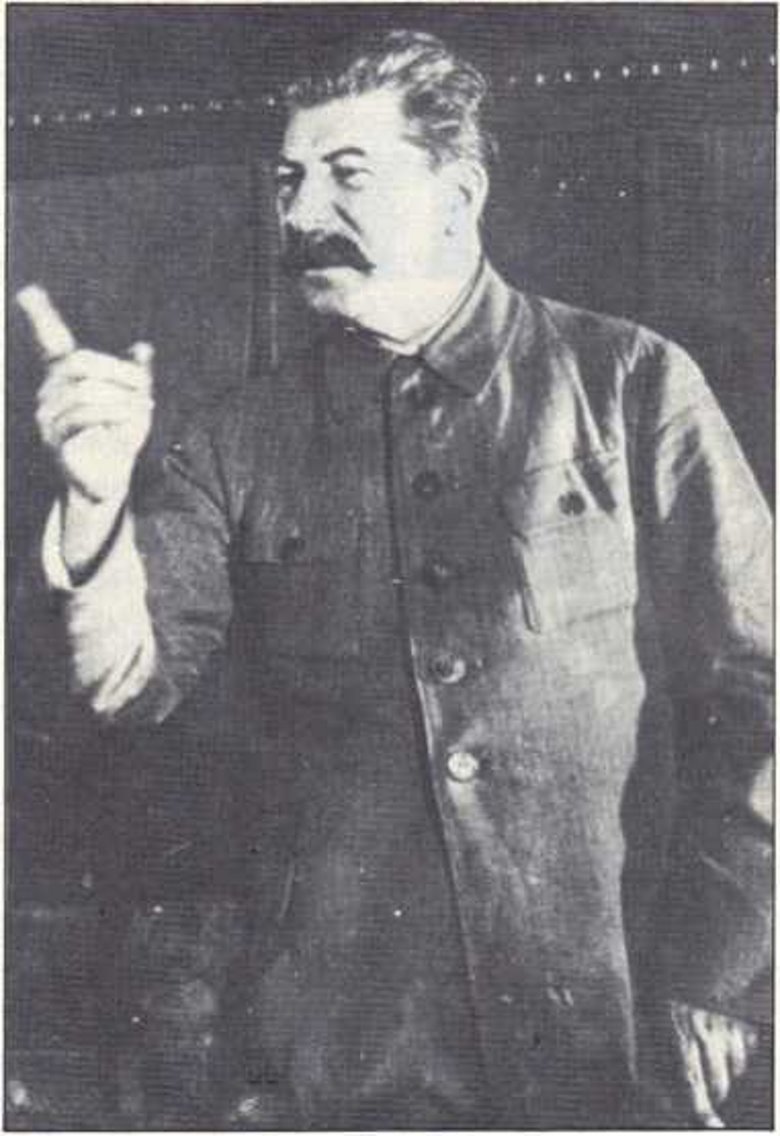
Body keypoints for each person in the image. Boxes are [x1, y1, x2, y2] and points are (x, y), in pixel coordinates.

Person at [17, 28, 772, 1130]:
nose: (303, 212)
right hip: (338, 1053)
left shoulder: (631, 385)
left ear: (458, 194)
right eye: (290, 180)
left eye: (348, 174)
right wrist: (93, 503)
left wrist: (719, 962)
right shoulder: (235, 439)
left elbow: (760, 688)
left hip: (604, 1032)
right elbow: (128, 682)